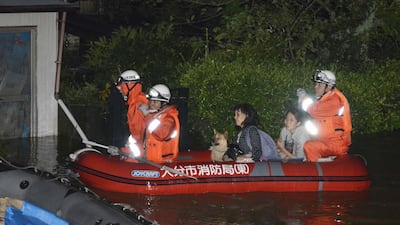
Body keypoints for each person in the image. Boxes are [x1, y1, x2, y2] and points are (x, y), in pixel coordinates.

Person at [297, 70, 352, 162]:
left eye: (319, 85)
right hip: (326, 141)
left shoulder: (334, 101)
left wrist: (303, 97)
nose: (315, 87)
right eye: (316, 84)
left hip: (336, 144)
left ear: (329, 86)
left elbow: (314, 109)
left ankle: (315, 172)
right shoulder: (326, 99)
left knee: (309, 146)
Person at [136, 84, 180, 163]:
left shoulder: (169, 118)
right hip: (151, 161)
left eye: (155, 101)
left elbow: (161, 134)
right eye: (151, 101)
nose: (152, 104)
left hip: (163, 164)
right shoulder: (155, 116)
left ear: (164, 103)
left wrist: (147, 116)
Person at [114, 70, 148, 149]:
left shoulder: (139, 104)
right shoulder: (136, 102)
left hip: (144, 151)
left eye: (121, 86)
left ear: (130, 85)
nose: (120, 89)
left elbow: (139, 134)